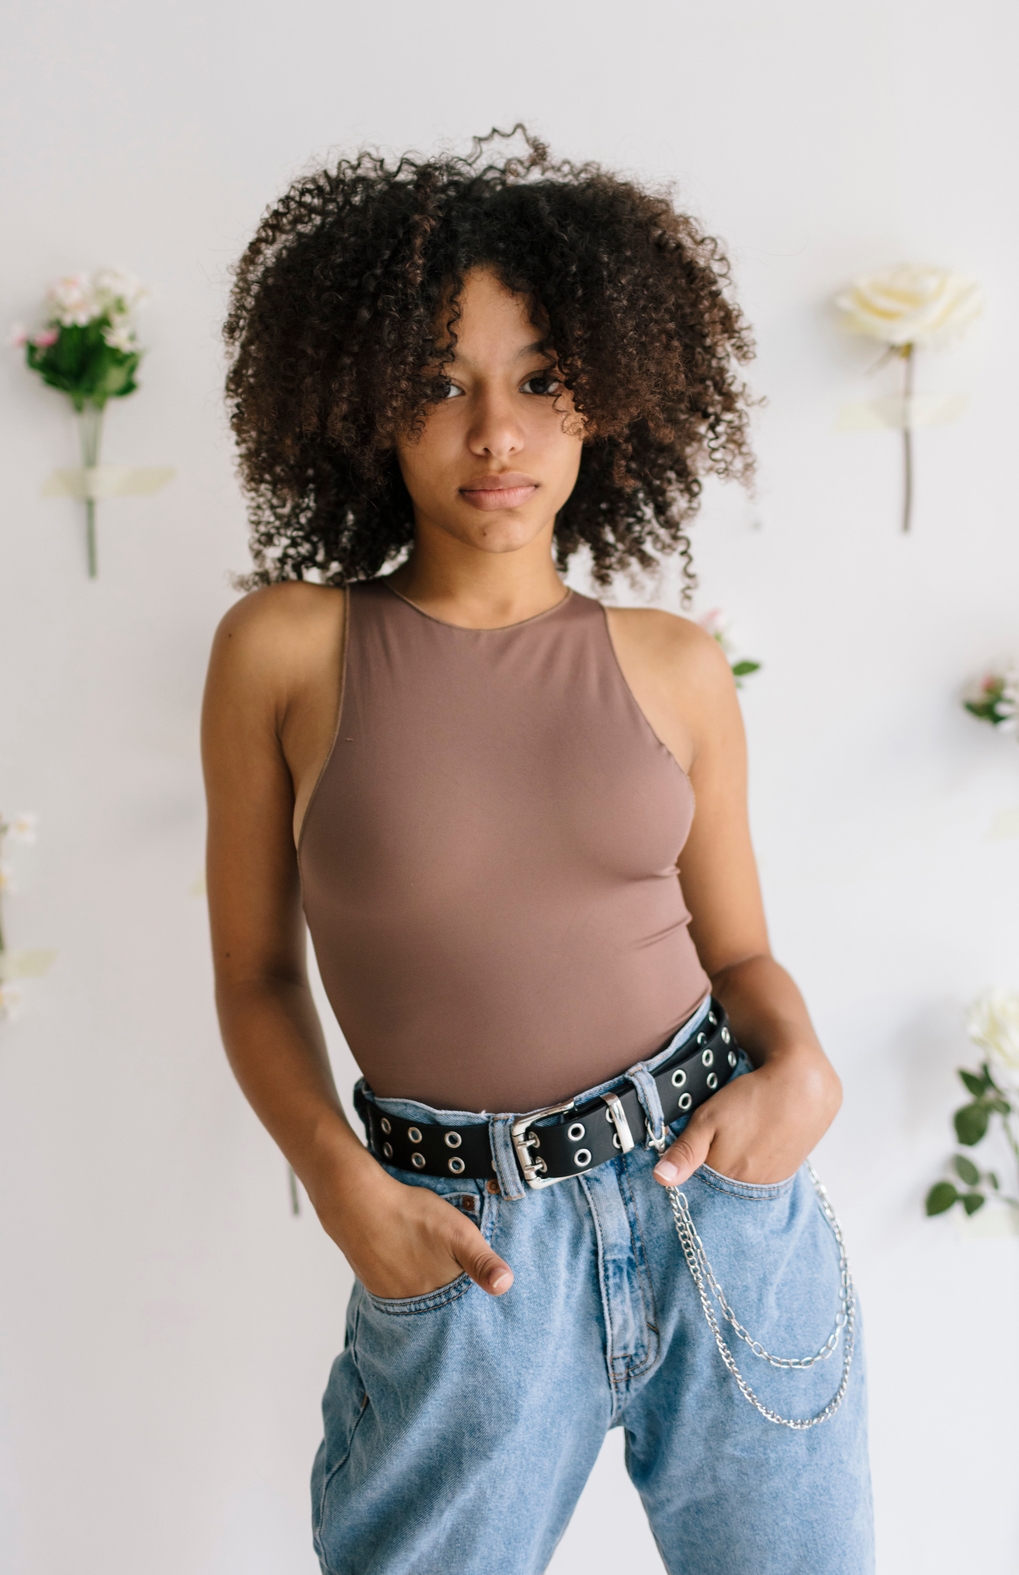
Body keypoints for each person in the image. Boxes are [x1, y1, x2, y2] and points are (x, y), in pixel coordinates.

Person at [202, 129, 873, 1575]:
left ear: (605, 404)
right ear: (367, 407)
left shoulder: (676, 666)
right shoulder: (286, 650)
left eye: (539, 382)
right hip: (464, 1246)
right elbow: (256, 972)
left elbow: (739, 951)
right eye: (441, 385)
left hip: (722, 1207)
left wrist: (803, 1071)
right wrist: (341, 1184)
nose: (495, 434)